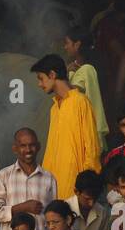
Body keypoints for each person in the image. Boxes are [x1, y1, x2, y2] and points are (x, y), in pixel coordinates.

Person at [32, 54, 101, 199]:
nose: (39, 84)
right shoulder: (54, 108)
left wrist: (87, 185)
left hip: (75, 187)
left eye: (41, 78)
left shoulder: (81, 102)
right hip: (53, 187)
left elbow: (92, 147)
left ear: (52, 74)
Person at [0, 127, 57, 230]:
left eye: (32, 145)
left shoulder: (49, 178)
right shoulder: (3, 176)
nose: (28, 150)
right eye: (23, 146)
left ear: (39, 146)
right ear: (15, 148)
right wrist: (22, 207)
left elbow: (55, 216)